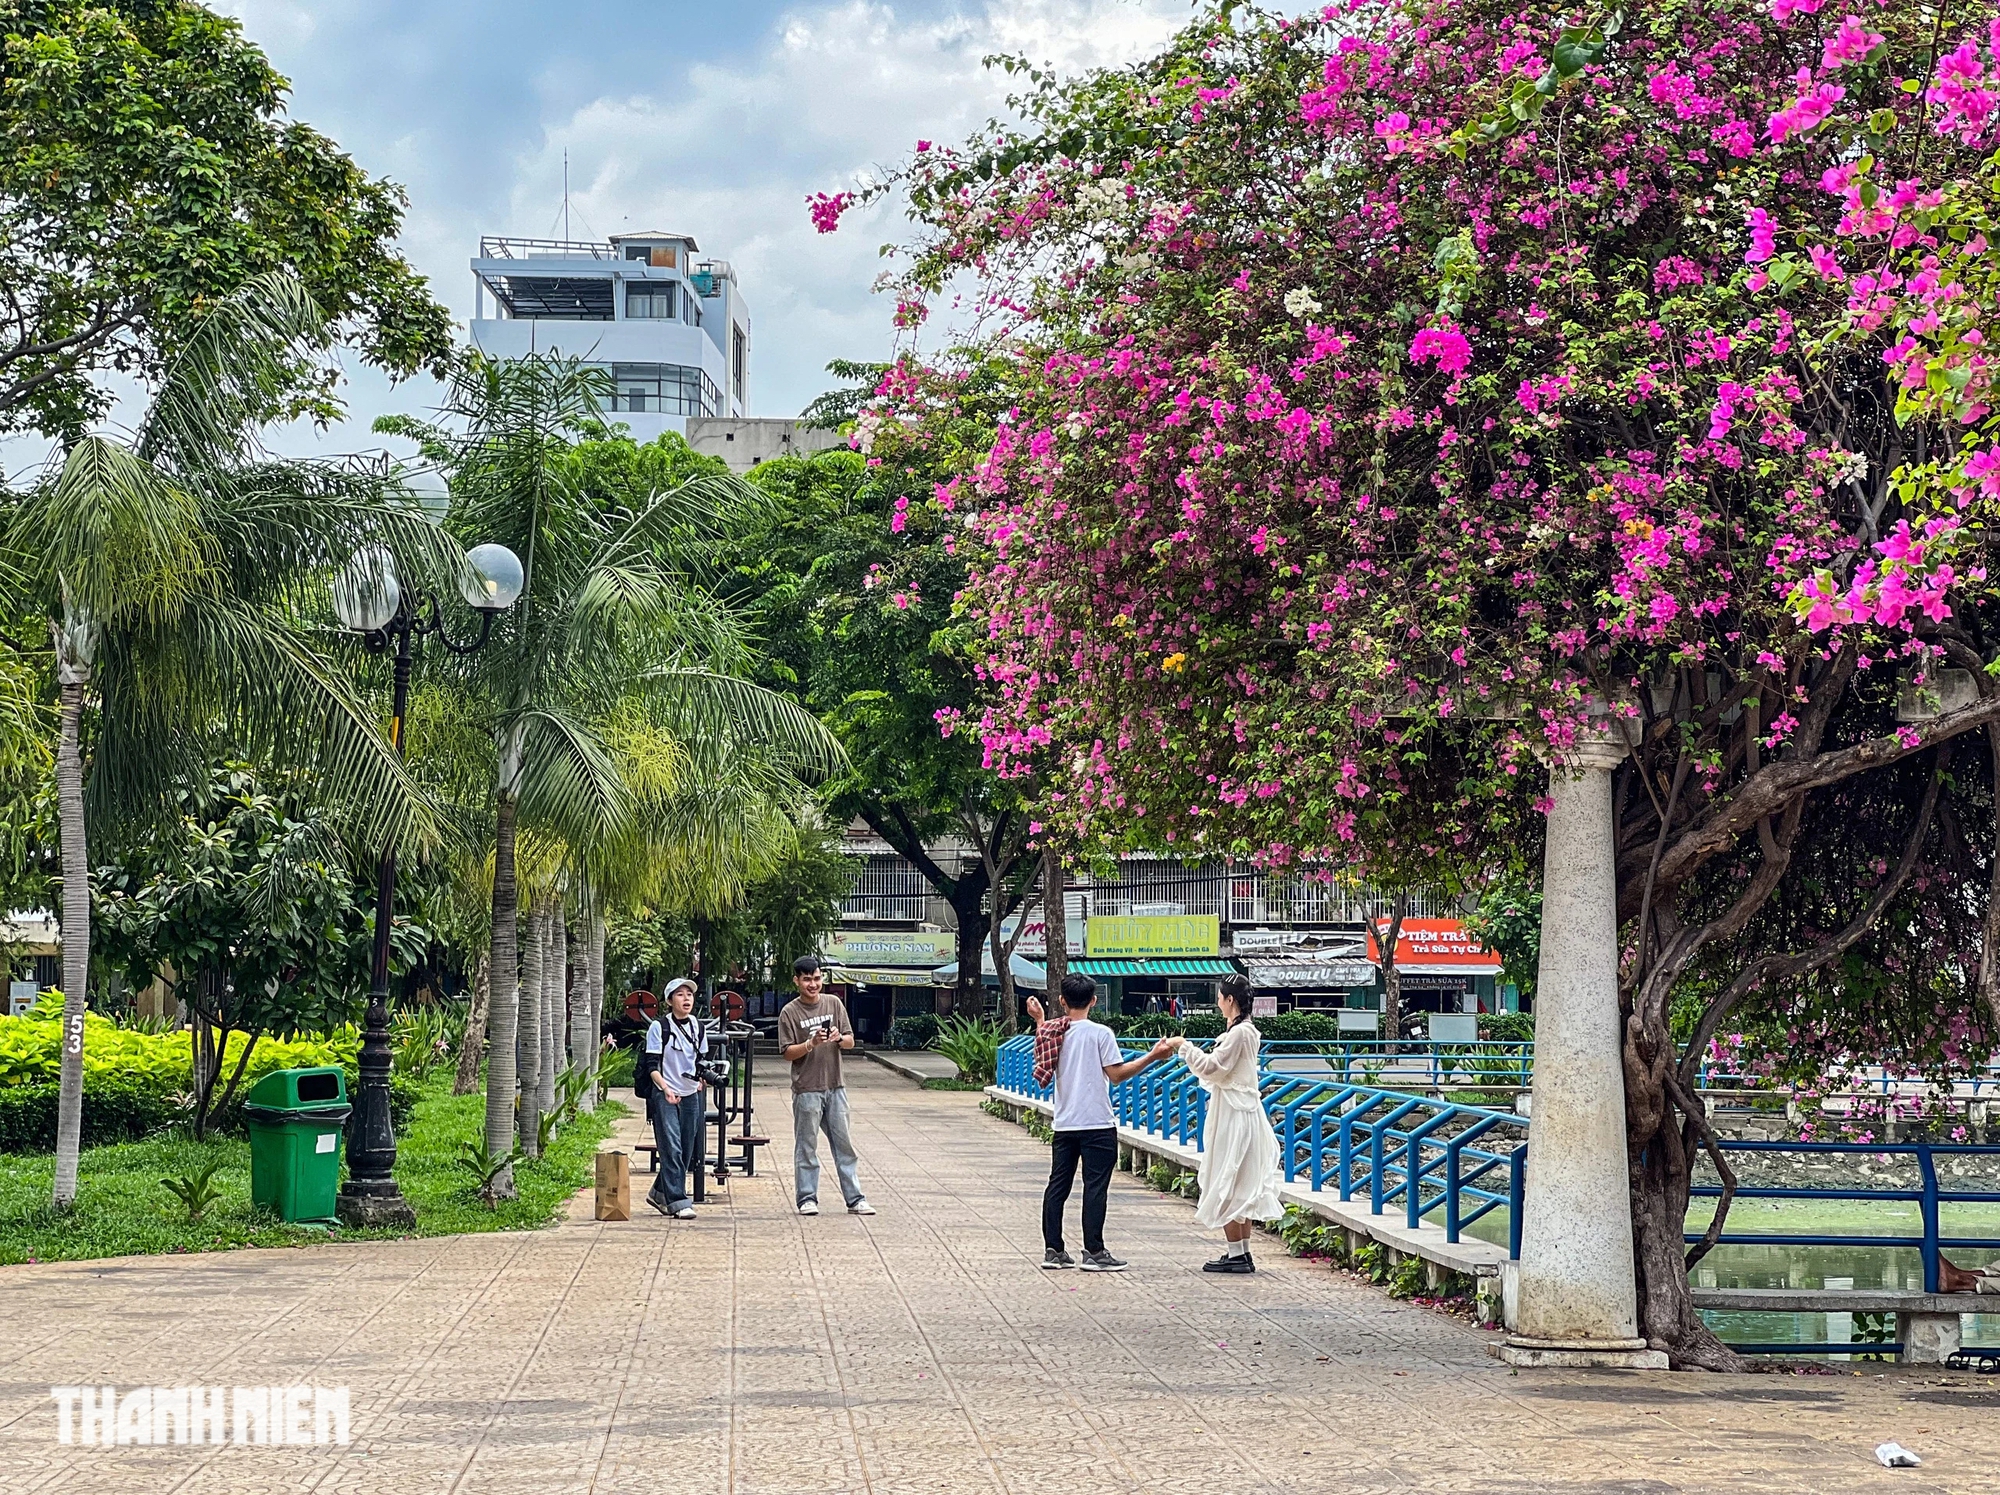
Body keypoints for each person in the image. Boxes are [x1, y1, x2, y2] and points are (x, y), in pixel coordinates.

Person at [1027, 974, 1177, 1271]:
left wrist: (1040, 1018)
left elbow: (1043, 1050)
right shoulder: (1101, 1033)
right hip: (1096, 1122)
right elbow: (1117, 1075)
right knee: (1095, 1187)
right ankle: (1094, 1250)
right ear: (1093, 1001)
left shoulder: (1053, 1032)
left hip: (1065, 1123)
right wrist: (1153, 1056)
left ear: (1062, 1000)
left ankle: (1053, 1250)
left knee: (1057, 1186)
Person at [1167, 975, 1285, 1273]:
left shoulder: (1238, 1034)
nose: (1218, 1003)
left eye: (1220, 997)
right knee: (1239, 1177)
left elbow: (1212, 1067)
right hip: (1241, 1110)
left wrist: (1184, 1047)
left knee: (1228, 1177)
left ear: (1230, 1000)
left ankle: (1236, 1254)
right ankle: (1240, 1253)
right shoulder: (1244, 1032)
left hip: (1235, 1113)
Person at [777, 955, 874, 1217]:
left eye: (817, 978)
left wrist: (838, 1038)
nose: (813, 984)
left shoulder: (834, 1003)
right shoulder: (790, 1012)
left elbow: (851, 1041)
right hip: (807, 1089)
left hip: (836, 1086)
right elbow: (786, 1053)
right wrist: (811, 1043)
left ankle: (855, 1199)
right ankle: (807, 1198)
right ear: (796, 980)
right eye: (807, 979)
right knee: (806, 1146)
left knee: (844, 1146)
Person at [640, 977, 707, 1219]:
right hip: (664, 1093)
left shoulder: (698, 1027)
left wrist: (702, 1077)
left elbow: (701, 1059)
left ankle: (659, 1192)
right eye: (680, 994)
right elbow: (652, 1065)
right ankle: (678, 1200)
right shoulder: (659, 1028)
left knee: (687, 1149)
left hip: (691, 1094)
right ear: (670, 1001)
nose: (686, 998)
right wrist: (665, 1088)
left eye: (689, 994)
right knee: (671, 1148)